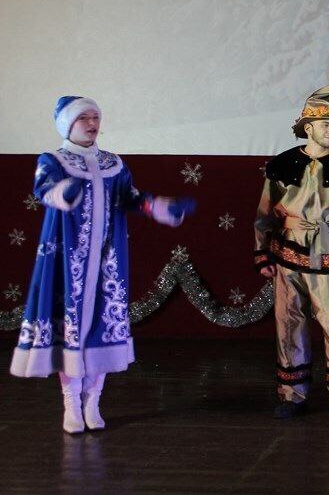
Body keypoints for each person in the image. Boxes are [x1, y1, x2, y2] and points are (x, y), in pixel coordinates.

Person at [10, 96, 195, 434]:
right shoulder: (53, 160)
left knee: (100, 326)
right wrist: (64, 192)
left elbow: (131, 198)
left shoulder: (113, 163)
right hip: (68, 263)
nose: (93, 123)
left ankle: (93, 400)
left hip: (107, 261)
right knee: (72, 329)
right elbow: (45, 189)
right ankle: (71, 401)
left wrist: (159, 207)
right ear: (68, 124)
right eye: (84, 118)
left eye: (96, 116)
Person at [254, 86, 329, 424]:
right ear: (308, 128)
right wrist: (263, 253)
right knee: (289, 323)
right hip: (288, 256)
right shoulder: (281, 165)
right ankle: (292, 394)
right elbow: (264, 214)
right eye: (327, 125)